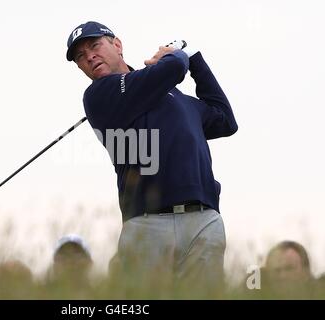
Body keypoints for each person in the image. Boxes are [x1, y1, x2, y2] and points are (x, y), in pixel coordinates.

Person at [66, 21, 238, 292]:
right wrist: (175, 53)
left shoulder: (174, 96)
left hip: (202, 219)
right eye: (80, 56)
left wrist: (194, 58)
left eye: (94, 45)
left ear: (117, 45)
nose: (88, 56)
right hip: (146, 223)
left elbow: (226, 120)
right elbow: (172, 68)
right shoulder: (100, 94)